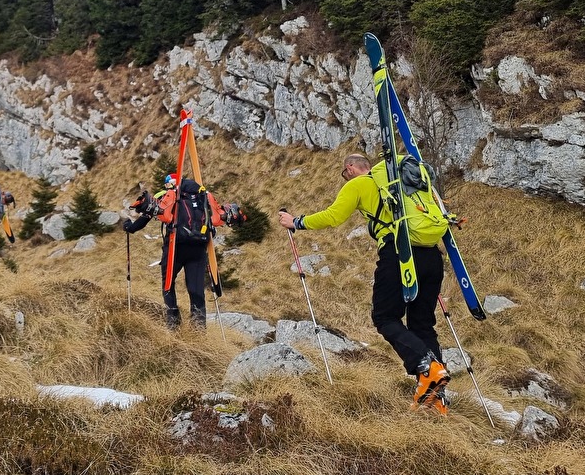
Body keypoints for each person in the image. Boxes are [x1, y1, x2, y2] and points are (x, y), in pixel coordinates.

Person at [278, 152, 449, 413]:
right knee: (422, 322)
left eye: (344, 174)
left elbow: (333, 216)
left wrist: (296, 222)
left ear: (350, 168)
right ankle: (435, 393)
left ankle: (427, 365)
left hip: (398, 252)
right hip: (431, 254)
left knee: (385, 318)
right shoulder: (404, 184)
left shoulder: (358, 184)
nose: (344, 179)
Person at [124, 175, 241, 329]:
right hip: (199, 248)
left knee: (168, 285)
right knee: (196, 290)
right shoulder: (203, 196)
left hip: (175, 246)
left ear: (169, 185)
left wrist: (129, 227)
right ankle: (198, 329)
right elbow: (218, 218)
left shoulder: (169, 195)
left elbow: (148, 215)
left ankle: (173, 324)